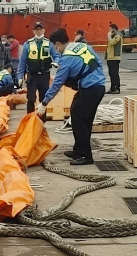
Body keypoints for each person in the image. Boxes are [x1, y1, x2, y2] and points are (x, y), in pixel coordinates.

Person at [35, 28, 107, 165]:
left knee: (79, 118)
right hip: (97, 86)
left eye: (54, 47)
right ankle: (79, 150)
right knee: (81, 116)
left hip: (91, 89)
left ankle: (86, 156)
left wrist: (44, 103)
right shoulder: (82, 46)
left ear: (57, 44)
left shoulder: (67, 59)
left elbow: (57, 84)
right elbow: (97, 62)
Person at [17, 22, 53, 114]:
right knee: (31, 98)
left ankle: (42, 122)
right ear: (33, 31)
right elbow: (22, 61)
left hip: (44, 75)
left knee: (44, 99)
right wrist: (20, 76)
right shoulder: (28, 44)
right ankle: (30, 119)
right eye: (37, 29)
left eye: (40, 29)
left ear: (44, 30)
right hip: (32, 76)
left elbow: (56, 56)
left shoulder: (49, 44)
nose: (39, 31)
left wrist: (56, 62)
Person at [106, 22, 123, 94]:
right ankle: (112, 88)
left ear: (113, 29)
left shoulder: (118, 36)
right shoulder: (113, 36)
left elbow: (113, 43)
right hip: (110, 58)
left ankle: (117, 88)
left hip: (115, 58)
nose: (109, 30)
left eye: (110, 29)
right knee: (111, 74)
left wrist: (109, 36)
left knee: (115, 74)